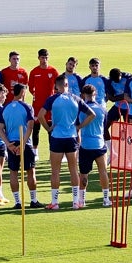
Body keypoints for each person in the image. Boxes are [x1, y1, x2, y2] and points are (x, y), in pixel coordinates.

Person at [37, 75, 94, 210]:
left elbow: (40, 116)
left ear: (56, 86)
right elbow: (92, 114)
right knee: (73, 170)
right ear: (67, 85)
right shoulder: (76, 98)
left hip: (57, 137)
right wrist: (79, 127)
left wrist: (48, 128)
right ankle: (75, 202)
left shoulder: (52, 99)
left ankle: (55, 202)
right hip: (71, 137)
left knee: (55, 171)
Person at [1, 83, 42, 209]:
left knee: (13, 172)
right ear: (23, 92)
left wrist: (9, 145)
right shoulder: (27, 107)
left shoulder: (5, 108)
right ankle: (33, 200)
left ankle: (18, 202)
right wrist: (23, 144)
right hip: (25, 143)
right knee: (30, 171)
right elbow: (30, 126)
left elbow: (0, 129)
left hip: (12, 144)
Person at [78, 84, 111, 208]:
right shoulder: (102, 109)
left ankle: (82, 200)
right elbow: (105, 125)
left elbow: (78, 125)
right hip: (99, 144)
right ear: (95, 94)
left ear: (83, 95)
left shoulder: (81, 110)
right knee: (103, 172)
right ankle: (106, 199)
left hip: (85, 145)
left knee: (83, 174)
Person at [27, 48, 58, 155]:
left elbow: (58, 87)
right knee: (36, 129)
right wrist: (37, 95)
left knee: (51, 129)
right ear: (38, 58)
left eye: (46, 58)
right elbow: (30, 87)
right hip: (37, 105)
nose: (44, 60)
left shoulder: (53, 71)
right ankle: (35, 152)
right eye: (42, 58)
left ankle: (52, 151)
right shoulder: (34, 72)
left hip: (50, 106)